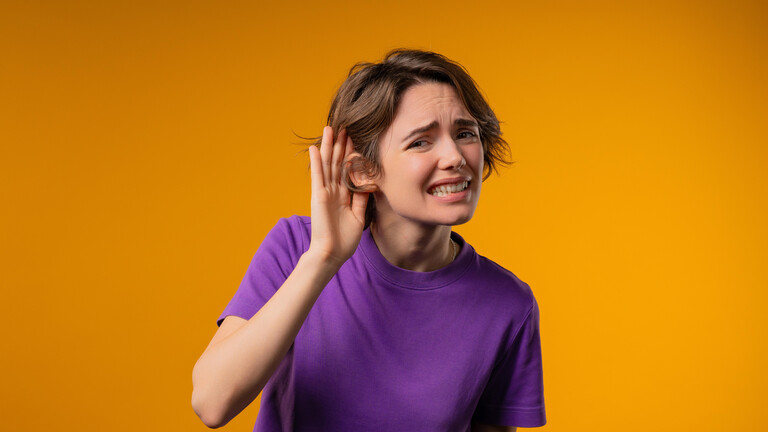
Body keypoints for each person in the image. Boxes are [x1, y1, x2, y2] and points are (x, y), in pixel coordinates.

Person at [191, 49, 546, 432]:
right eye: (421, 142)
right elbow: (212, 403)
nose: (455, 156)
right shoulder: (296, 247)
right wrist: (323, 259)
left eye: (465, 134)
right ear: (363, 171)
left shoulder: (509, 303)